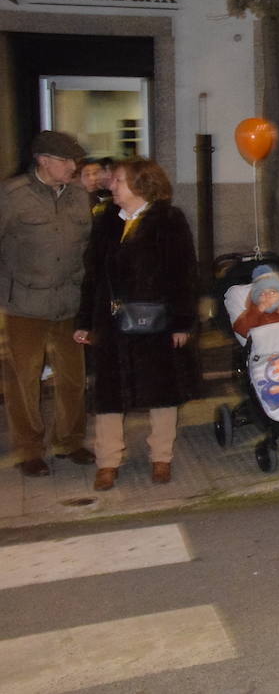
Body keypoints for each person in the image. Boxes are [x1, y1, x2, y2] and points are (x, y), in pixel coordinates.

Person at [74, 158, 200, 491]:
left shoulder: (169, 221)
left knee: (161, 391)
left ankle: (161, 457)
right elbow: (93, 277)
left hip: (156, 322)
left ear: (140, 185)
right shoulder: (105, 222)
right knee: (108, 393)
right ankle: (108, 462)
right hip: (111, 322)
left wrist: (183, 322)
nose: (110, 185)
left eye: (117, 180)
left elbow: (184, 274)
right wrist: (85, 320)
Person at [1, 131, 95, 477]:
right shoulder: (13, 196)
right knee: (23, 379)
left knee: (73, 377)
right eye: (66, 161)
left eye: (75, 160)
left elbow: (87, 248)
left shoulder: (79, 195)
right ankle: (29, 449)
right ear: (42, 160)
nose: (73, 166)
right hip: (24, 303)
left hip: (69, 302)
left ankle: (69, 441)